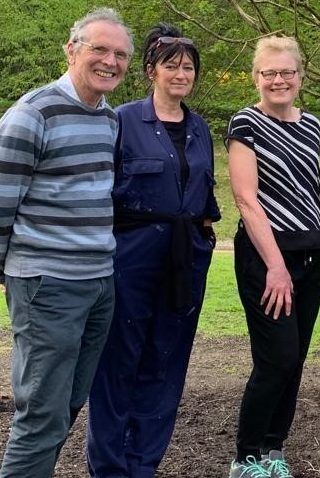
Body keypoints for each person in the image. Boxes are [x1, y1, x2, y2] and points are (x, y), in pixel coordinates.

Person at [0, 8, 132, 478]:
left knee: (69, 403)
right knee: (41, 413)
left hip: (98, 282)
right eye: (99, 48)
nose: (110, 61)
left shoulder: (109, 119)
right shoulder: (32, 114)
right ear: (71, 49)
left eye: (120, 54)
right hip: (46, 285)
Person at [85, 23, 220, 477]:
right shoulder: (121, 120)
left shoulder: (200, 129)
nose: (181, 74)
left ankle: (143, 465)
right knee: (117, 365)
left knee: (166, 365)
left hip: (184, 264)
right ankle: (109, 468)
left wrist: (201, 243)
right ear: (150, 71)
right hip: (130, 260)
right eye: (171, 65)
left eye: (188, 67)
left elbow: (205, 199)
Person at [226, 36, 320, 478]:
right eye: (269, 73)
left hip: (313, 251)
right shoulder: (245, 124)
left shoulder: (311, 125)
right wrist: (275, 266)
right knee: (277, 359)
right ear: (256, 78)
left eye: (287, 72)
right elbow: (247, 200)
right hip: (267, 256)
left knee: (297, 358)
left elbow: (308, 190)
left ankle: (273, 451)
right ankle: (245, 457)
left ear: (300, 77)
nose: (278, 80)